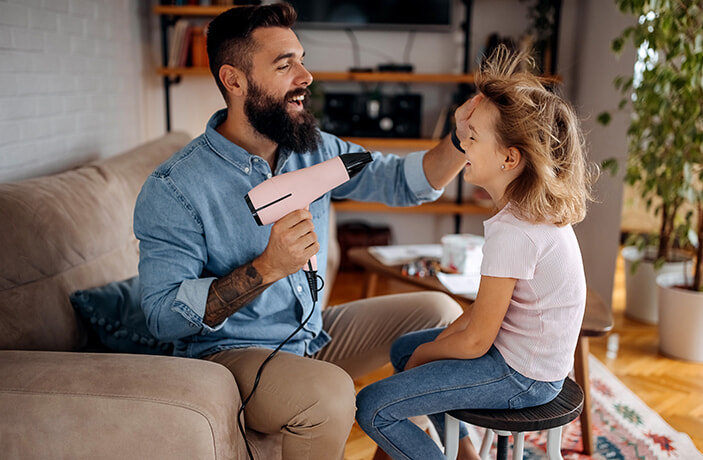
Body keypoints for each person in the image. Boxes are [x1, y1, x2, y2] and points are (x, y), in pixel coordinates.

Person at [133, 3, 474, 460]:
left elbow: (401, 181)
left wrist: (460, 139)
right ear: (234, 81)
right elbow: (161, 317)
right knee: (331, 392)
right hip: (230, 354)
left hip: (310, 337)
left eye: (302, 58)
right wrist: (266, 268)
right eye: (285, 64)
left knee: (439, 315)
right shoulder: (175, 187)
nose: (306, 75)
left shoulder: (313, 149)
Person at [355, 44, 595, 460]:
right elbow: (480, 319)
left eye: (472, 137)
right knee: (402, 349)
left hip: (522, 376)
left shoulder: (514, 232)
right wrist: (424, 352)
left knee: (372, 407)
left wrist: (426, 358)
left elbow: (477, 340)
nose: (462, 143)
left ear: (509, 158)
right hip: (528, 360)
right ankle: (465, 451)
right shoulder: (529, 211)